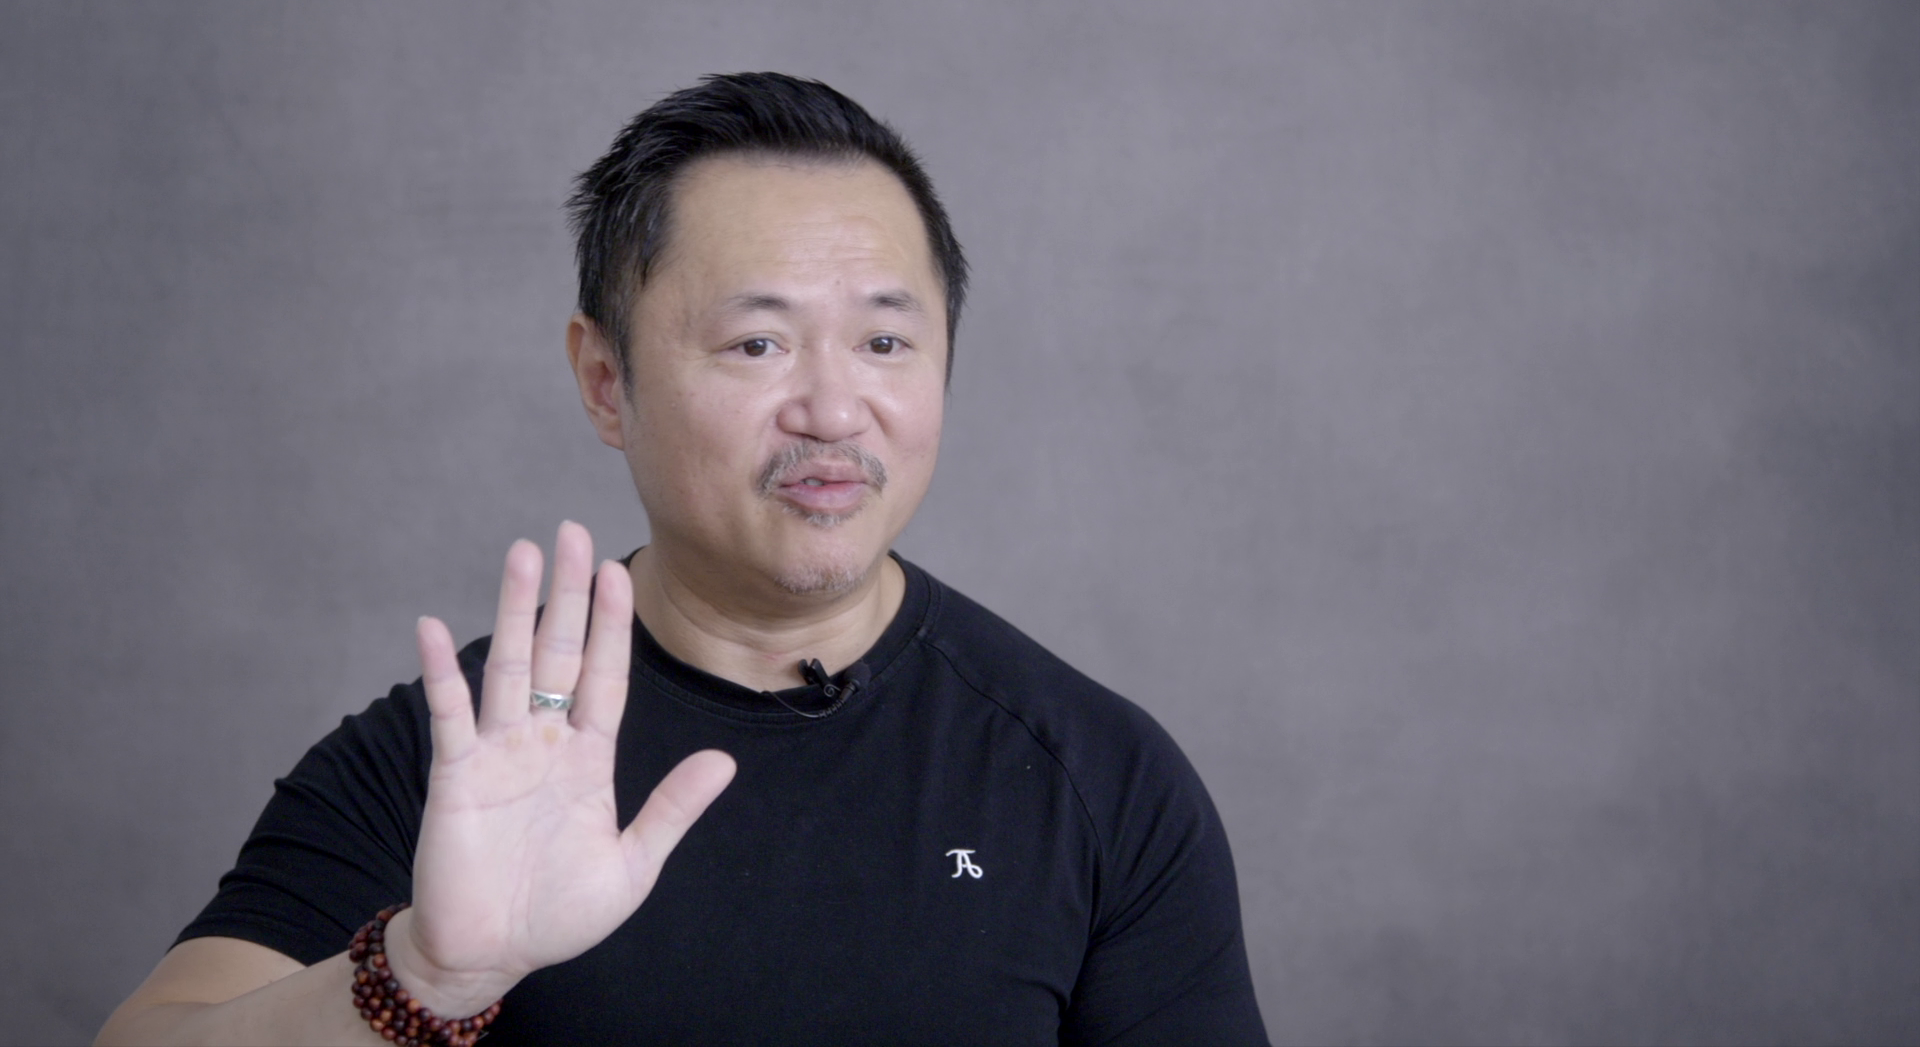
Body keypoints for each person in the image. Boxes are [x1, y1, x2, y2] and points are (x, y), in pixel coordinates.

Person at [97, 72, 1268, 1046]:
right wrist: (424, 976)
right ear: (606, 382)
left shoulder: (1095, 778)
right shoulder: (457, 761)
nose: (833, 410)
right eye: (757, 343)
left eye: (884, 340)